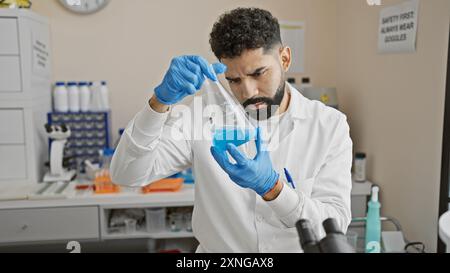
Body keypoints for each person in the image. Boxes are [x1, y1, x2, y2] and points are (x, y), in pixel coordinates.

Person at [111, 7, 353, 253]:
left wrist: (273, 189)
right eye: (234, 80)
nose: (248, 92)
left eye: (258, 73)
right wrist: (159, 102)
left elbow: (334, 224)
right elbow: (127, 174)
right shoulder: (202, 116)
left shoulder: (329, 125)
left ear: (285, 59)